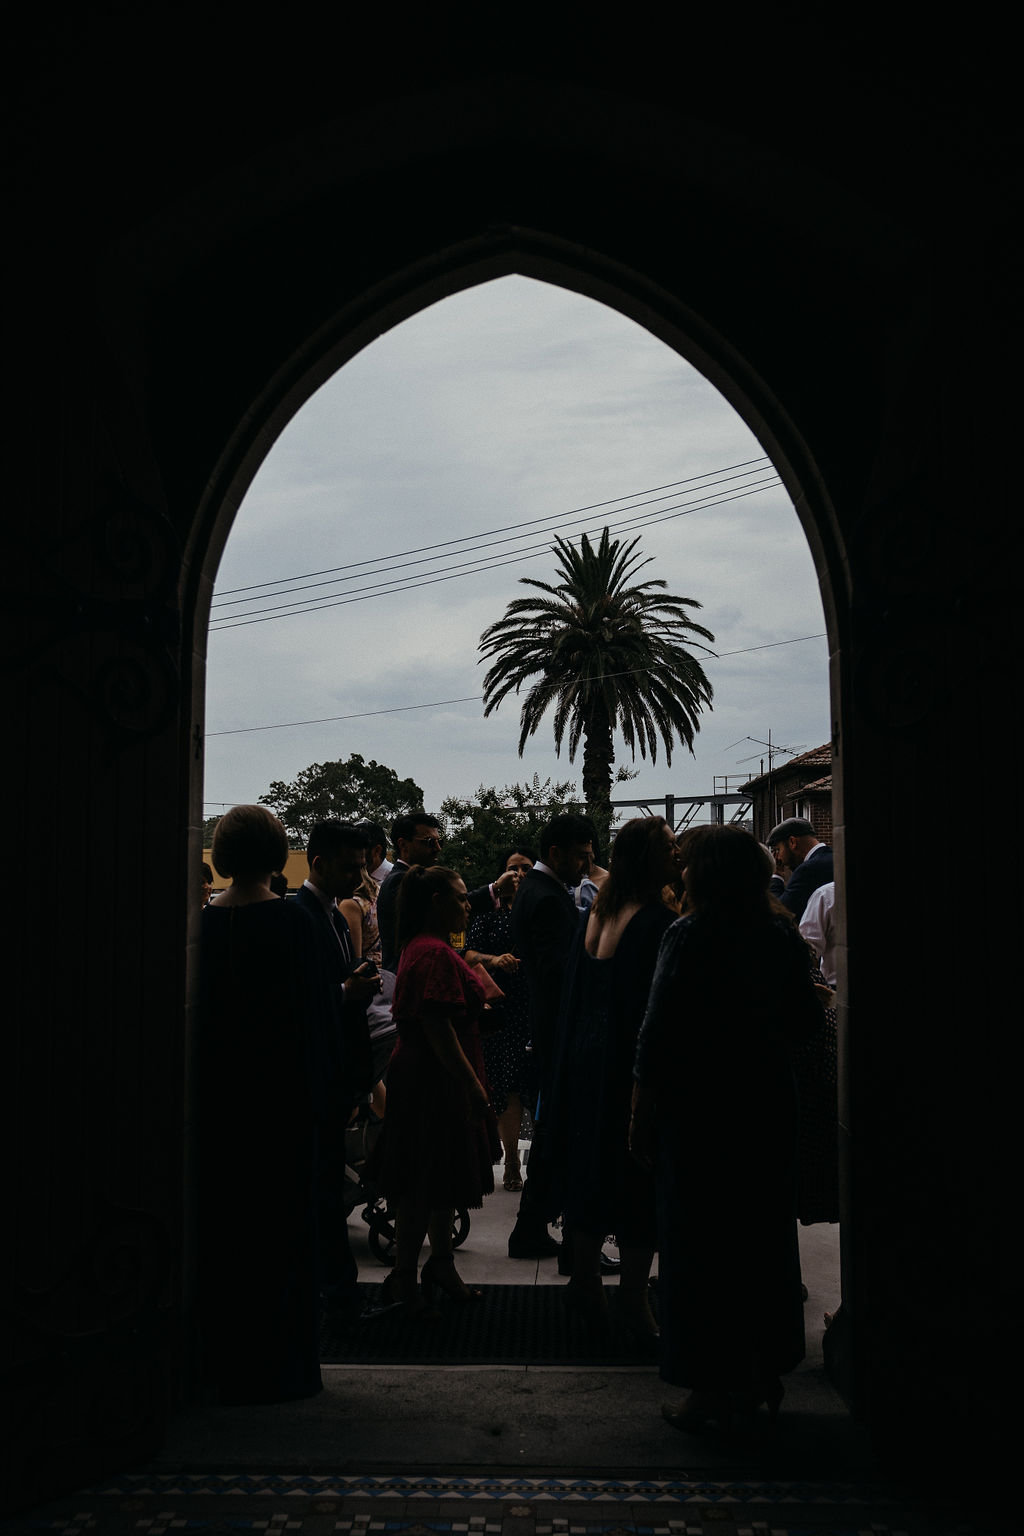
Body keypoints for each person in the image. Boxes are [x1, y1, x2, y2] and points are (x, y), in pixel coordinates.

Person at [631, 824, 823, 1432]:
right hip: (766, 1103)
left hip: (701, 1112)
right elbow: (805, 1024)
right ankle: (764, 1374)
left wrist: (641, 1117)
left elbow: (656, 1035)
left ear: (706, 873)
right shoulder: (781, 933)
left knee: (699, 1248)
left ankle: (708, 1388)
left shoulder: (688, 933)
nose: (680, 870)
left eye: (689, 863)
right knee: (763, 1242)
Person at [197, 804, 329, 1402]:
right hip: (282, 1103)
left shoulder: (203, 924)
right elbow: (314, 1019)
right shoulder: (296, 923)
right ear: (278, 854)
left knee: (225, 1231)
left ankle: (222, 1362)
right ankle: (284, 1366)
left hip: (218, 1102)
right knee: (284, 1235)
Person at [547, 817, 680, 1334]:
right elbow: (658, 1011)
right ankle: (630, 1299)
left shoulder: (596, 913)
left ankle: (584, 1286)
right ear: (647, 857)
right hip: (626, 1069)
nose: (678, 854)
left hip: (584, 1065)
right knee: (636, 1180)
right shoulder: (655, 922)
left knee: (588, 1174)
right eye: (669, 847)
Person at [370, 865, 500, 1311]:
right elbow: (437, 1027)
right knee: (424, 1181)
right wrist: (473, 1087)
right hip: (435, 1081)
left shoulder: (423, 947)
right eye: (461, 898)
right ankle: (407, 1274)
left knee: (438, 1177)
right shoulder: (434, 953)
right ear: (435, 903)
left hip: (429, 1075)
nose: (468, 905)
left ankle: (438, 1264)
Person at [294, 821, 381, 1321]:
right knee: (322, 1194)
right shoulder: (302, 916)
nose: (357, 875)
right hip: (316, 1080)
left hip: (337, 1077)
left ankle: (338, 1293)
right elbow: (297, 1002)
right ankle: (339, 1297)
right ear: (318, 862)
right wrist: (347, 993)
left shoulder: (328, 914)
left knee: (327, 1193)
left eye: (362, 865)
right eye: (349, 866)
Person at [506, 812, 594, 1260]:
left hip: (548, 1029)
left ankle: (532, 1226)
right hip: (555, 1032)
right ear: (555, 852)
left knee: (551, 1133)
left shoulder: (539, 891)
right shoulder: (546, 898)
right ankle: (533, 1227)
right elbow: (560, 973)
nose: (587, 863)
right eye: (581, 855)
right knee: (553, 1133)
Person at [465, 846, 534, 1191]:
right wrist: (495, 960)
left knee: (532, 1088)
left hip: (536, 1008)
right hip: (503, 1010)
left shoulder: (542, 909)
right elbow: (469, 953)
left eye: (525, 867)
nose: (519, 874)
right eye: (512, 868)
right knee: (506, 1090)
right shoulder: (489, 914)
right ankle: (510, 1161)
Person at [767, 817, 834, 923]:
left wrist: (777, 876)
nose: (778, 857)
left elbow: (780, 914)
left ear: (792, 842)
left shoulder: (807, 871)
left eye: (778, 849)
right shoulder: (836, 859)